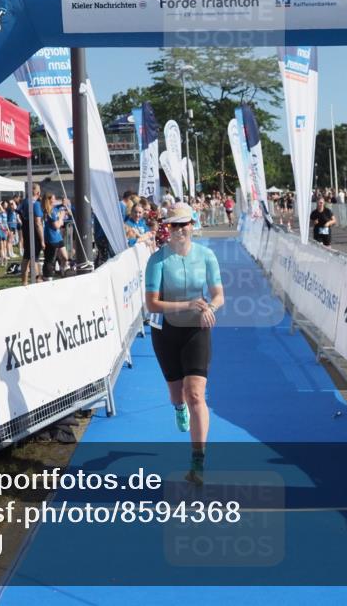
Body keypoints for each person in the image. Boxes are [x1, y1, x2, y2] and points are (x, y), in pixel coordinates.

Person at [144, 203, 224, 485]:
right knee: (177, 397)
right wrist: (187, 303)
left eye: (183, 225)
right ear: (168, 228)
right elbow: (151, 303)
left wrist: (209, 307)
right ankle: (178, 409)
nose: (179, 230)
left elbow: (218, 294)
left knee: (196, 396)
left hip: (196, 329)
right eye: (173, 226)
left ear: (193, 225)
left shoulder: (207, 256)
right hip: (165, 331)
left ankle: (197, 463)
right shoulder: (157, 260)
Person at [42, 192, 71, 279]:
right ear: (49, 200)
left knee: (65, 257)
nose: (55, 200)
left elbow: (65, 213)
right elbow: (57, 226)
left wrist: (63, 208)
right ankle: (48, 275)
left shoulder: (54, 209)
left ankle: (62, 269)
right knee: (50, 259)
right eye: (53, 199)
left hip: (58, 237)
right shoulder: (49, 211)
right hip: (52, 238)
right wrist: (61, 218)